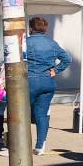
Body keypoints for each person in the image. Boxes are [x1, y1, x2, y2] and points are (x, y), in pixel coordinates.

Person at [25, 16, 72, 155]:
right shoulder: (52, 43)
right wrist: (55, 70)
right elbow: (67, 59)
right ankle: (40, 146)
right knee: (42, 115)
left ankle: (22, 145)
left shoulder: (25, 42)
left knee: (22, 113)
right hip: (47, 82)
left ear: (31, 28)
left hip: (30, 81)